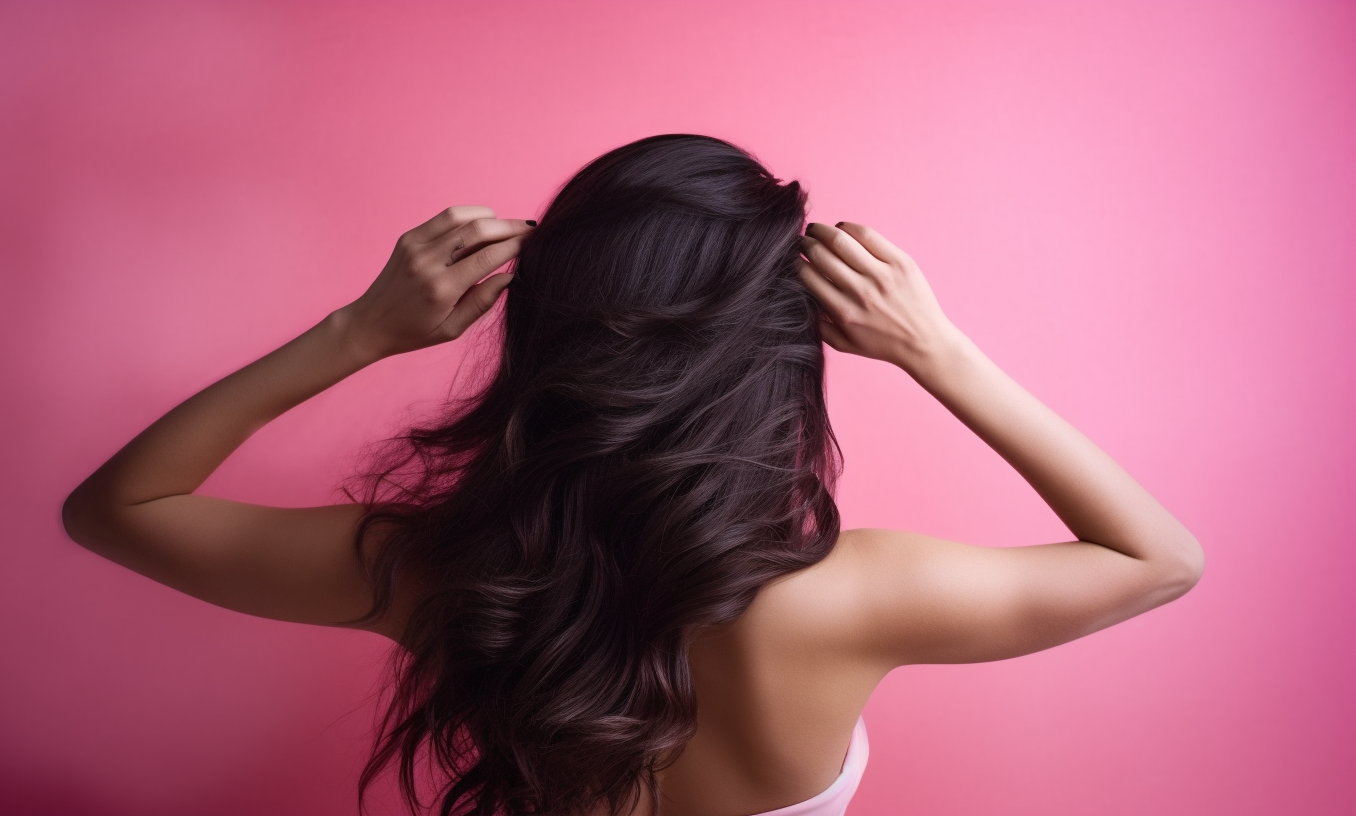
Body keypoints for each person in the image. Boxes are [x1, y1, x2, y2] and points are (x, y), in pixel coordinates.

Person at [62, 134, 1204, 816]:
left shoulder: (436, 574)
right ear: (779, 361)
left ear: (544, 339)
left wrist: (357, 331)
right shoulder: (855, 598)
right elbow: (1160, 559)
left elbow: (118, 510)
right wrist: (934, 351)